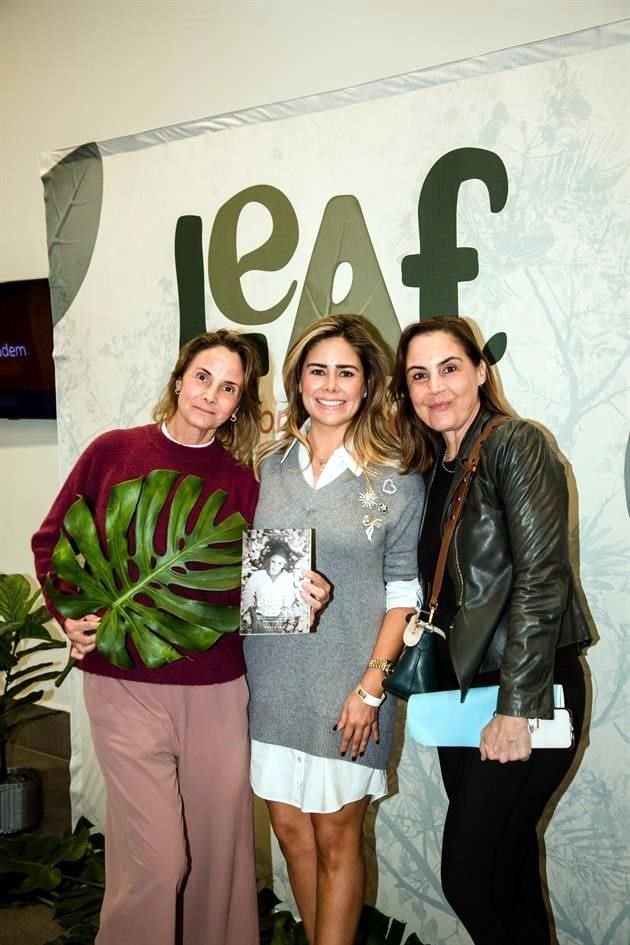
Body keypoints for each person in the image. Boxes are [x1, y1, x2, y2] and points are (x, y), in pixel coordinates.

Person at [32, 329, 327, 945]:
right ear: (177, 379)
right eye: (202, 378)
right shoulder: (113, 451)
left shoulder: (244, 480)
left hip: (216, 688)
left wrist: (302, 592)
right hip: (124, 684)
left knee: (219, 856)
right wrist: (71, 616)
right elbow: (54, 541)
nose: (210, 396)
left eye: (228, 388)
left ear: (239, 403)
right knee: (158, 859)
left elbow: (252, 586)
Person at [389, 315, 592, 945]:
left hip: (525, 690)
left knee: (470, 877)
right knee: (504, 872)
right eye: (418, 375)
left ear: (480, 370)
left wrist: (516, 706)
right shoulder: (433, 468)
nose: (435, 387)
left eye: (449, 368)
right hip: (463, 695)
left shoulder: (516, 444)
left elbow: (541, 578)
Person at [245, 315, 425, 945]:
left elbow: (406, 591)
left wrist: (371, 688)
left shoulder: (397, 475)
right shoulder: (268, 467)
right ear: (298, 380)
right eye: (317, 370)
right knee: (291, 832)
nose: (330, 385)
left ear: (367, 383)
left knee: (336, 838)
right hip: (270, 683)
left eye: (346, 371)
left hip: (351, 685)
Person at [241, 540, 300, 633]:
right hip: (258, 616)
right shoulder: (257, 575)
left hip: (278, 618)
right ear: (269, 561)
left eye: (280, 563)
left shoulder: (287, 578)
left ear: (284, 565)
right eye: (273, 561)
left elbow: (289, 598)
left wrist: (282, 615)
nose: (275, 566)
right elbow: (248, 593)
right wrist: (252, 613)